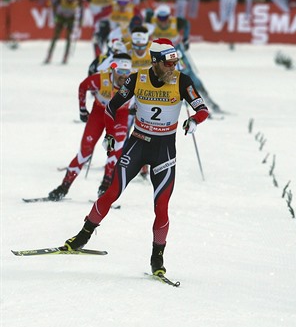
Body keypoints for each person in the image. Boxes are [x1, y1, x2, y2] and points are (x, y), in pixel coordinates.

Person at [62, 38, 210, 276]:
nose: (173, 67)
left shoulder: (183, 81)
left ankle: (157, 259)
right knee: (111, 193)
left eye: (175, 62)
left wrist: (194, 120)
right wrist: (110, 134)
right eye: (168, 63)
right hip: (138, 144)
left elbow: (202, 109)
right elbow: (111, 108)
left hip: (164, 150)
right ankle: (81, 237)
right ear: (155, 62)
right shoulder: (136, 79)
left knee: (161, 208)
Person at [48, 53, 134, 201]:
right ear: (113, 69)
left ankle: (105, 187)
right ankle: (64, 187)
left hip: (120, 115)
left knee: (115, 150)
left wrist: (136, 108)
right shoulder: (102, 78)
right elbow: (82, 87)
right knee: (85, 152)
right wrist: (82, 109)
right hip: (99, 114)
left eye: (127, 72)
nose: (124, 76)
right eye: (120, 71)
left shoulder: (134, 80)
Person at [44, 0, 82, 64]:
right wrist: (55, 14)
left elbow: (81, 11)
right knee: (55, 37)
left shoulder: (77, 0)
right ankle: (49, 56)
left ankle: (65, 57)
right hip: (61, 17)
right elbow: (53, 4)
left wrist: (80, 21)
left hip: (70, 19)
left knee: (68, 38)